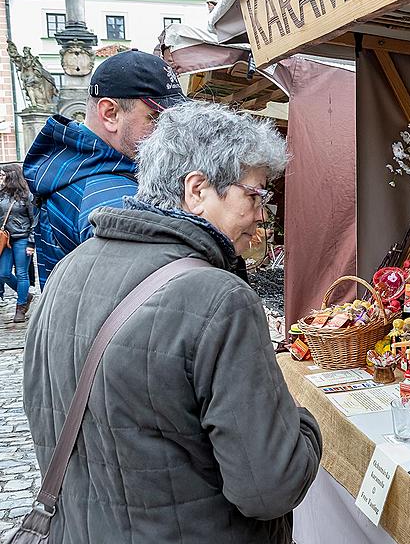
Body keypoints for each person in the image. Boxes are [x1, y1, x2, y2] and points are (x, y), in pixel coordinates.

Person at [23, 101, 322, 543]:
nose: (262, 215)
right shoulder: (220, 298)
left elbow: (43, 411)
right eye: (255, 195)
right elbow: (269, 487)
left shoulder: (69, 269)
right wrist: (304, 426)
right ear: (197, 189)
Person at [23, 49, 187, 286]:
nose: (170, 132)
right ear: (110, 114)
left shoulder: (76, 167)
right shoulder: (114, 202)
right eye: (156, 118)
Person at [0, 163, 36, 322]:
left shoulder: (27, 196)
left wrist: (31, 243)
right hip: (5, 239)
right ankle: (26, 295)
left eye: (3, 175)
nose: (1, 178)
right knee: (3, 273)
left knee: (22, 273)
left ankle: (20, 307)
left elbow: (34, 221)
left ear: (11, 176)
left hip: (22, 238)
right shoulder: (1, 194)